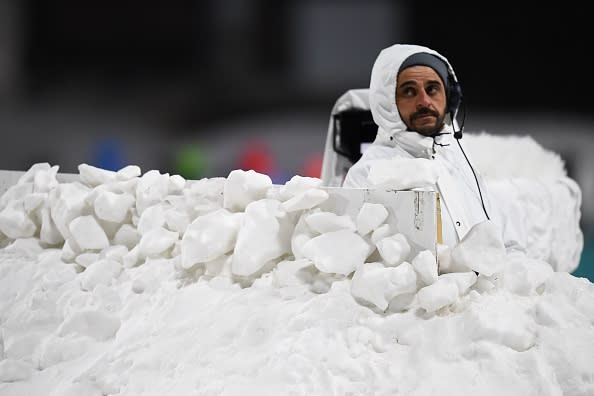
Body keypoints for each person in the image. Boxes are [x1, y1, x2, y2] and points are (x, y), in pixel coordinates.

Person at [343, 43, 502, 248]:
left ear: (451, 97)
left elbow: (495, 235)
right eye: (409, 91)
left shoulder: (460, 160)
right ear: (388, 102)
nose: (424, 101)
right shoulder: (367, 173)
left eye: (432, 89)